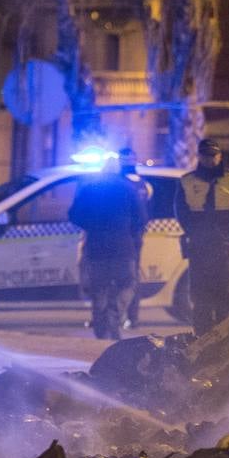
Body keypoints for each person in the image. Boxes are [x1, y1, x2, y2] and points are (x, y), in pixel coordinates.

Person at [173, 137, 229, 338]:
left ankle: (224, 337)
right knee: (200, 296)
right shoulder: (188, 181)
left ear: (220, 156)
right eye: (206, 156)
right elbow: (181, 210)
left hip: (224, 246)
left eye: (213, 156)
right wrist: (194, 232)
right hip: (199, 247)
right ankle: (202, 337)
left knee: (225, 293)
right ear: (199, 156)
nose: (210, 160)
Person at [70, 153, 148, 340]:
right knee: (127, 284)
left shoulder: (90, 188)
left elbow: (74, 214)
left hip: (96, 248)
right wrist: (131, 232)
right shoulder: (128, 188)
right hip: (123, 247)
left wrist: (91, 226)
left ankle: (101, 326)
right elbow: (142, 217)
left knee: (98, 288)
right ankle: (114, 315)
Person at [118, 146, 153, 329]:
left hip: (128, 238)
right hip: (128, 237)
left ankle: (128, 317)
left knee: (127, 278)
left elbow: (145, 213)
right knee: (128, 278)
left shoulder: (140, 184)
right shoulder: (140, 184)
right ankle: (126, 317)